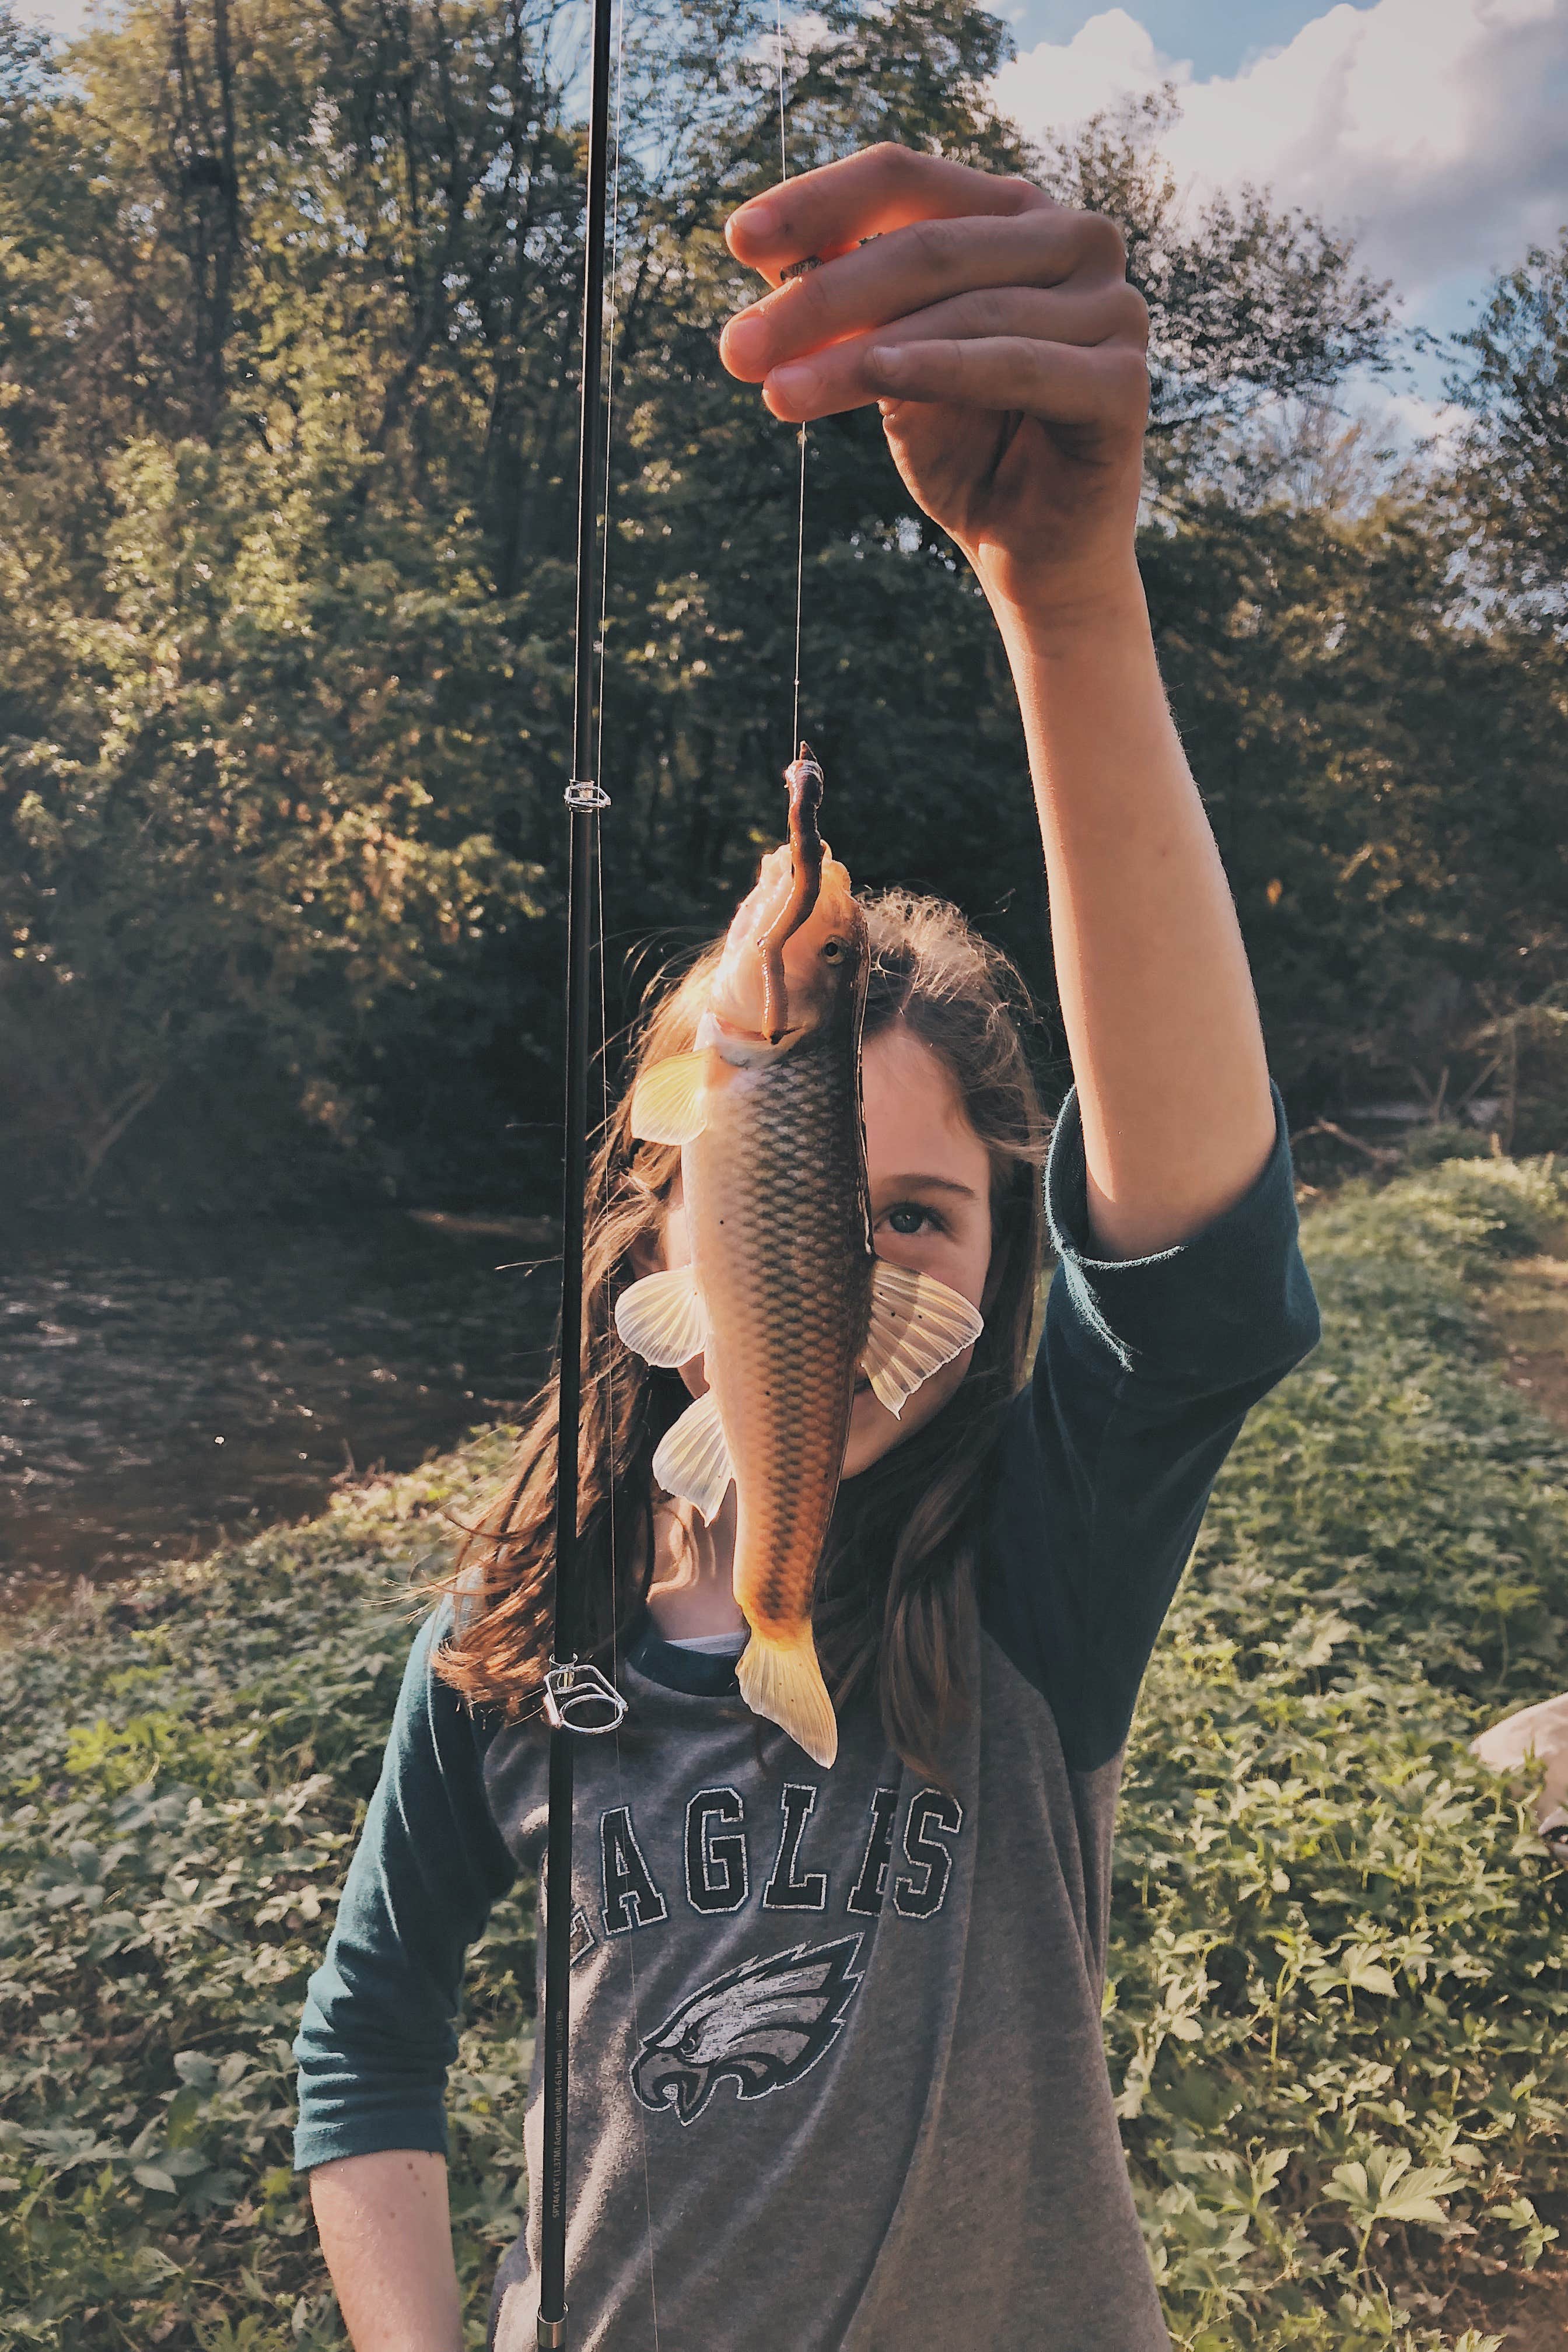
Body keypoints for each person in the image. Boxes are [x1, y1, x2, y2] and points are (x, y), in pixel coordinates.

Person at [292, 143, 1321, 2351]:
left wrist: (1068, 605)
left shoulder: (1029, 1577)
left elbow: (1208, 1287)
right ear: (658, 1209)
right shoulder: (511, 1642)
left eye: (923, 1222)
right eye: (790, 1209)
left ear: (1006, 1256)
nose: (858, 1287)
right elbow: (363, 2037)